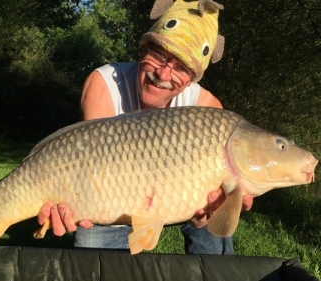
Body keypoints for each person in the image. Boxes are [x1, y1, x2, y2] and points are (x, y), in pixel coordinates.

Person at [37, 0, 253, 254]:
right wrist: (69, 203)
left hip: (179, 199)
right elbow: (92, 175)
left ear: (189, 82)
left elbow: (207, 211)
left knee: (216, 227)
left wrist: (202, 215)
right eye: (159, 54)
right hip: (115, 198)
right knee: (93, 249)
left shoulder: (207, 107)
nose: (162, 75)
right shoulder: (104, 85)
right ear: (143, 50)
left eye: (181, 68)